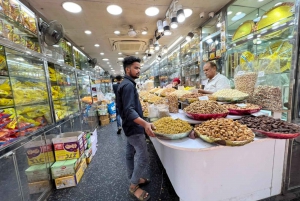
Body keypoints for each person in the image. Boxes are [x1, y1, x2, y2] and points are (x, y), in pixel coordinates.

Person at [117, 56, 156, 201]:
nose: (139, 70)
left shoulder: (126, 84)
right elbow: (129, 110)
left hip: (128, 126)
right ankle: (133, 186)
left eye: (139, 68)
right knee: (144, 157)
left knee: (129, 153)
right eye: (136, 68)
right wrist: (145, 124)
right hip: (134, 128)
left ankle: (134, 178)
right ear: (128, 69)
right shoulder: (127, 86)